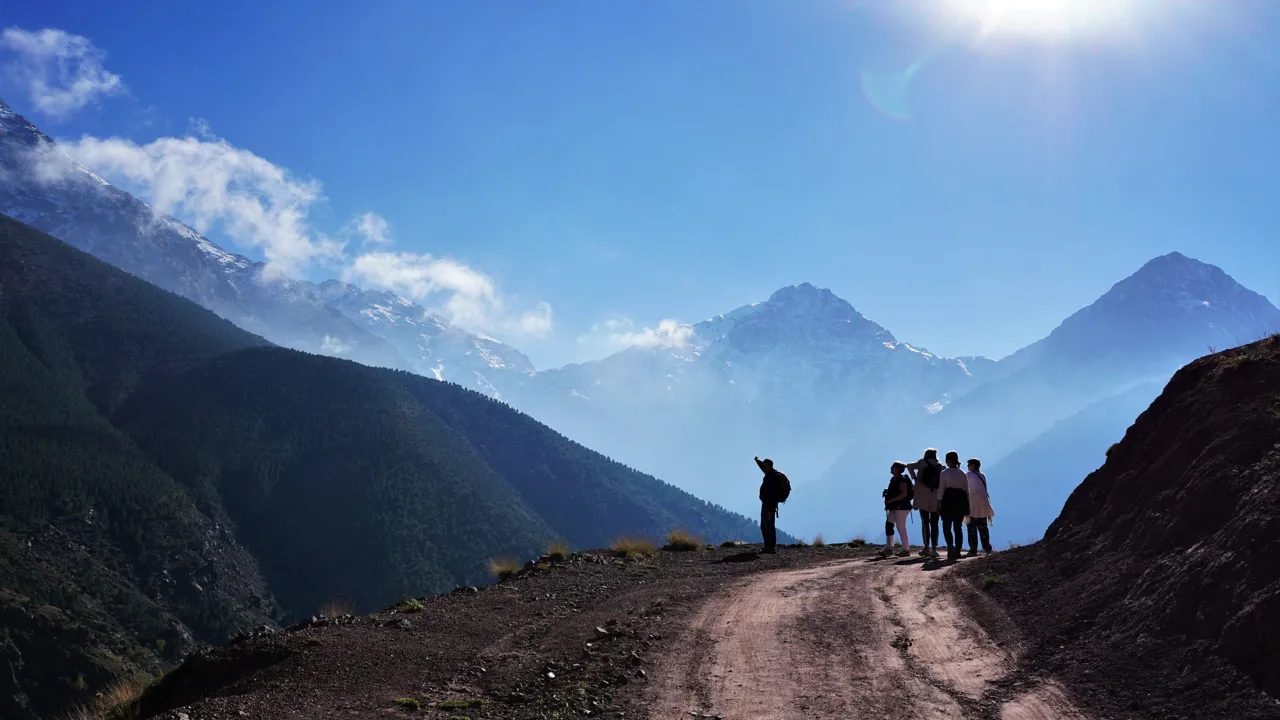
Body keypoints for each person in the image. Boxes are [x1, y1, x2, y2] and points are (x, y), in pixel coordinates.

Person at [906, 449, 943, 559]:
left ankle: (926, 547)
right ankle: (934, 549)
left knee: (925, 523)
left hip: (922, 498)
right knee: (935, 523)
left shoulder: (922, 463)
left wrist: (915, 477)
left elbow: (909, 466)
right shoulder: (940, 466)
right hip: (936, 498)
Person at [938, 451, 971, 560]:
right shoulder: (962, 473)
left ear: (947, 460)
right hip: (960, 501)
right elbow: (967, 491)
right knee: (958, 527)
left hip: (947, 500)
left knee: (946, 525)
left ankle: (950, 545)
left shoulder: (944, 473)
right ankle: (957, 550)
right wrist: (967, 505)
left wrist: (939, 504)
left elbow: (941, 490)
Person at [754, 456, 790, 554]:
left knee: (769, 525)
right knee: (764, 526)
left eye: (765, 466)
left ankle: (770, 547)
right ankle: (768, 546)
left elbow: (772, 492)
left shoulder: (773, 477)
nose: (763, 467)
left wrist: (770, 501)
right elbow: (761, 466)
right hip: (766, 504)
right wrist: (757, 461)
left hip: (769, 505)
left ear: (769, 466)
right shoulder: (769, 473)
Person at [879, 461, 913, 558]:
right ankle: (890, 547)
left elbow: (904, 494)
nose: (891, 468)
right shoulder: (895, 479)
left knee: (900, 527)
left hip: (901, 507)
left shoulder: (901, 480)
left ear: (897, 469)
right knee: (889, 525)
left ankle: (906, 549)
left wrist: (890, 500)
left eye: (893, 467)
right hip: (896, 507)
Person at [965, 458, 995, 556]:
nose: (968, 466)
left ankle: (973, 549)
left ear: (973, 466)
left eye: (969, 464)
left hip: (973, 504)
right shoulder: (982, 476)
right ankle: (987, 548)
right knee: (983, 527)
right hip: (983, 504)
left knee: (972, 527)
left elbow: (965, 487)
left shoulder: (968, 475)